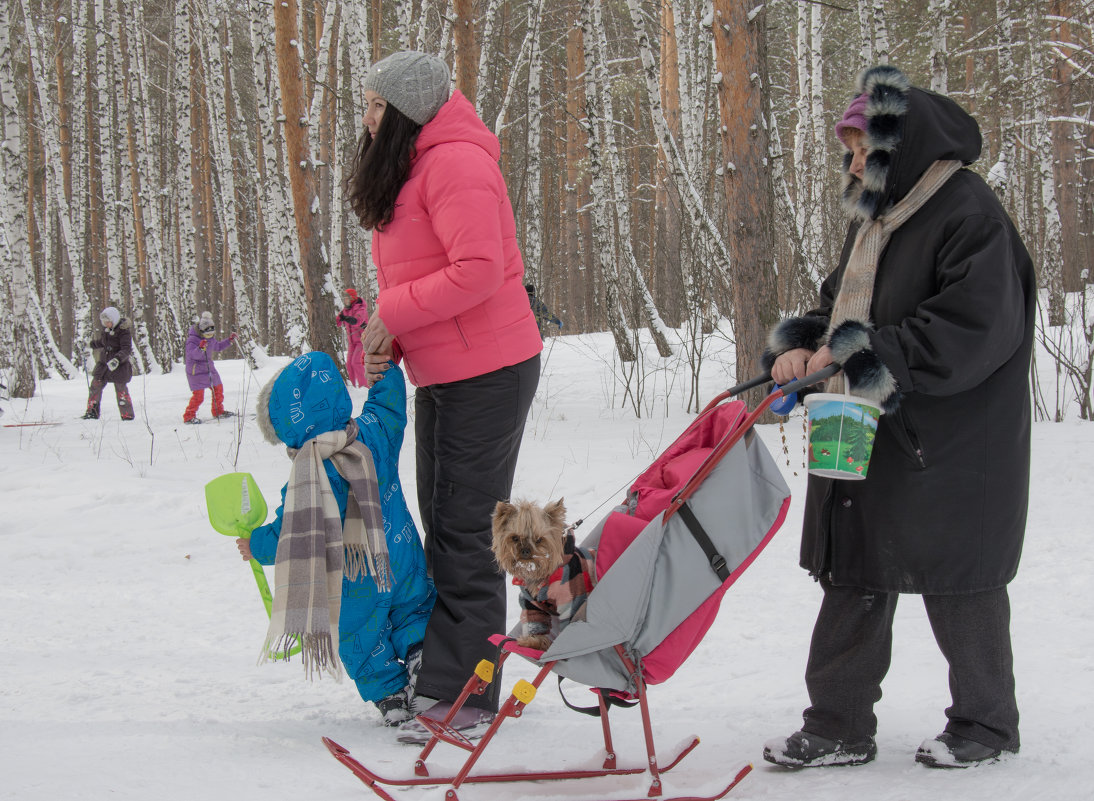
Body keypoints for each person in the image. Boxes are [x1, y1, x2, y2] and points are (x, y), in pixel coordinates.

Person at [761, 65, 1035, 770]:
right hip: (872, 430)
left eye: (862, 148)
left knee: (961, 578)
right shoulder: (878, 219)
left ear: (900, 144)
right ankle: (838, 723)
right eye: (849, 150)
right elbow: (839, 310)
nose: (853, 163)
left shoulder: (969, 213)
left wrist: (853, 352)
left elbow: (970, 330)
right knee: (855, 570)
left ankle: (985, 723)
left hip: (950, 441)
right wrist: (801, 346)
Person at [345, 50, 543, 742]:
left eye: (376, 107)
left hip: (488, 371)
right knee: (444, 522)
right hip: (449, 370)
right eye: (365, 105)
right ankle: (444, 672)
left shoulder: (456, 162)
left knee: (463, 533)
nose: (367, 121)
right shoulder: (415, 164)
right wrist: (392, 340)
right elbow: (425, 274)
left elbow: (479, 269)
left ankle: (465, 697)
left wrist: (392, 316)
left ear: (408, 111)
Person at [239, 351, 435, 727]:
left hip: (353, 580)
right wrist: (385, 368)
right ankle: (421, 662)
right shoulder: (373, 432)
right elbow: (390, 408)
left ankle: (390, 695)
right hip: (400, 554)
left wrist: (254, 543)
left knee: (360, 635)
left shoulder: (306, 479)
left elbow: (290, 537)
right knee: (413, 609)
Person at [183, 311, 238, 424]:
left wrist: (229, 340)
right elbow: (193, 355)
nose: (210, 337)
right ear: (202, 331)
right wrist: (200, 348)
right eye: (208, 335)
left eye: (211, 335)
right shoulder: (192, 340)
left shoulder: (210, 338)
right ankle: (189, 416)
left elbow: (217, 346)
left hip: (209, 368)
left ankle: (218, 411)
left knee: (218, 389)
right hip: (196, 370)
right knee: (199, 396)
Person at [82, 306, 135, 420]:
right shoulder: (106, 331)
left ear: (114, 320)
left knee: (121, 390)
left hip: (119, 366)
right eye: (104, 322)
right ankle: (92, 412)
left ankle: (127, 414)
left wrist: (117, 359)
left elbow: (126, 349)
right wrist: (90, 345)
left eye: (108, 322)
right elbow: (102, 343)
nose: (106, 324)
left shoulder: (123, 332)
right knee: (95, 386)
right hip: (104, 366)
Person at [337, 288, 369, 387]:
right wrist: (339, 318)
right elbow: (338, 322)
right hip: (352, 342)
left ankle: (364, 386)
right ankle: (352, 386)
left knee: (356, 362)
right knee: (349, 365)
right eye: (344, 298)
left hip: (361, 341)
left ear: (352, 298)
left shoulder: (360, 308)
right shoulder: (346, 310)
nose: (345, 300)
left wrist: (346, 318)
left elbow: (357, 321)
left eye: (347, 298)